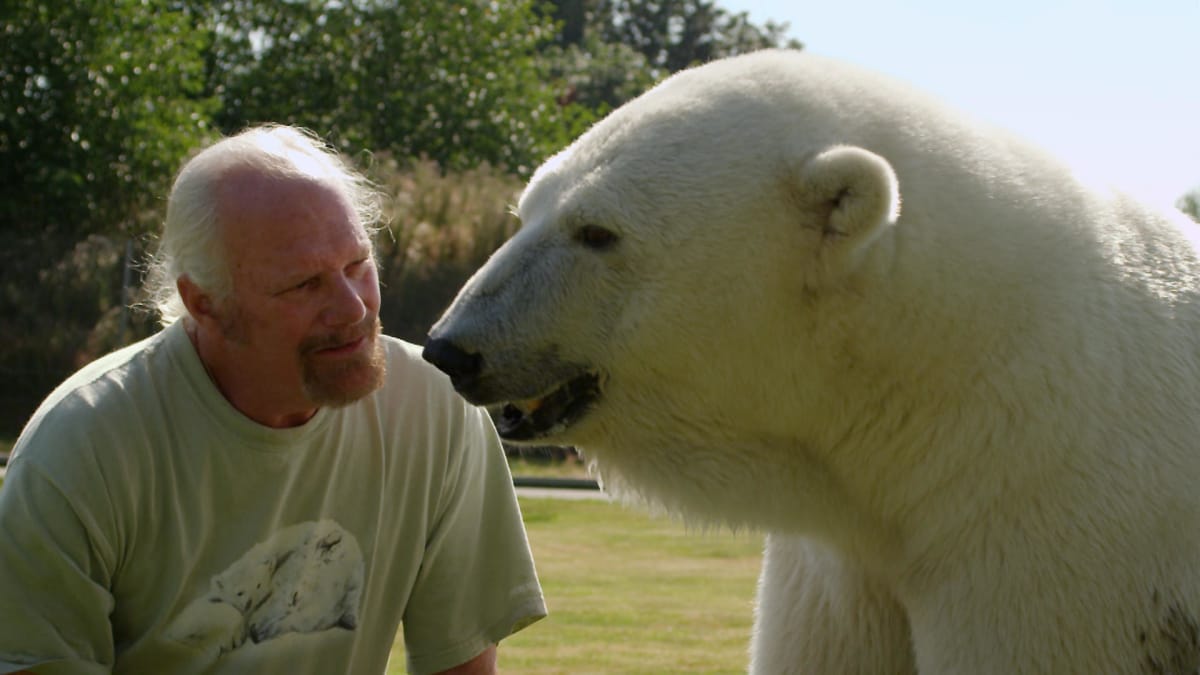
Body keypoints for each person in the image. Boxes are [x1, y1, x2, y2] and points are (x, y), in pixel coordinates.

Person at [0, 125, 546, 674]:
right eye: (304, 285)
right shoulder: (84, 445)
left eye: (358, 265)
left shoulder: (432, 409)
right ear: (205, 302)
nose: (353, 308)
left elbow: (461, 667)